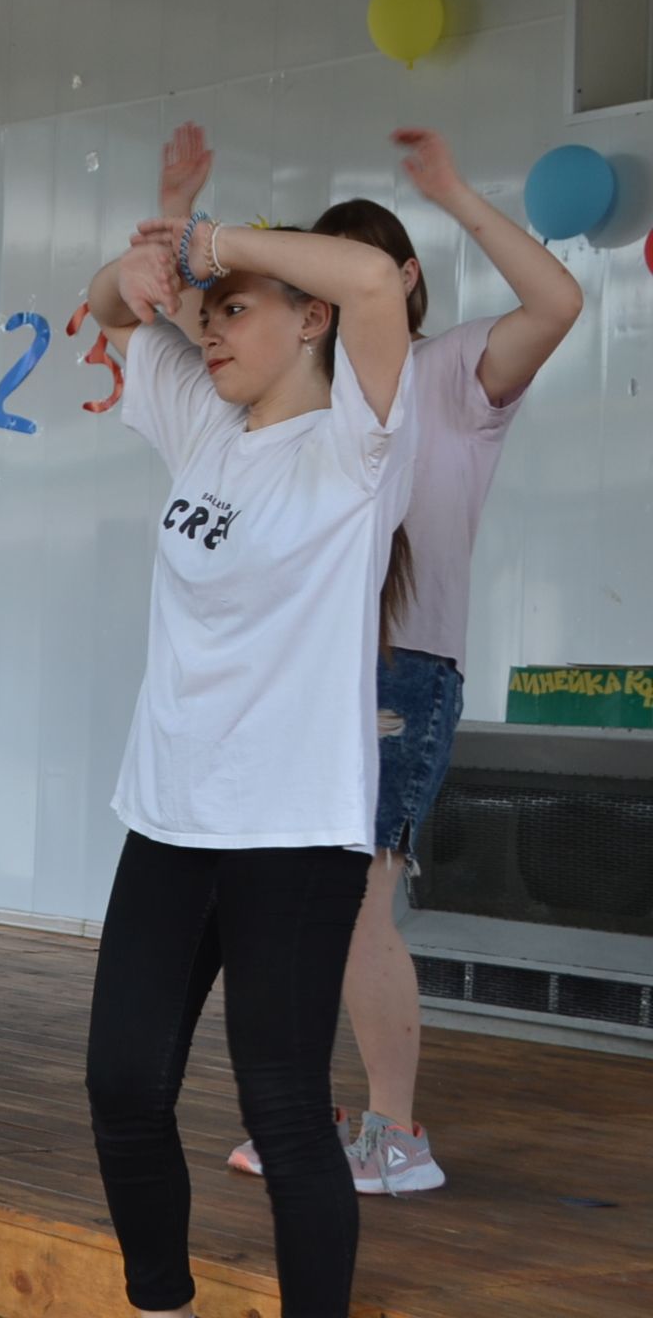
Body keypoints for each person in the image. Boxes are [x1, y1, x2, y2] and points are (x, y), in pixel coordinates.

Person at [151, 125, 581, 1195]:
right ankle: (311, 1115)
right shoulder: (303, 401)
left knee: (355, 907)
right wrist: (175, 211)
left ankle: (396, 1131)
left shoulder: (445, 374)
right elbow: (175, 319)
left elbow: (558, 303)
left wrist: (454, 192)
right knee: (294, 903)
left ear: (397, 282)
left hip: (399, 668)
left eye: (351, 272)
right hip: (301, 673)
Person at [80, 213, 416, 1318]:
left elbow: (375, 277)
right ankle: (161, 1304)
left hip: (293, 831)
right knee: (123, 1087)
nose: (211, 330)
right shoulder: (204, 423)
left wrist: (215, 239)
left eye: (236, 309)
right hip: (170, 820)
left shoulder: (357, 445)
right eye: (207, 312)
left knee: (284, 1108)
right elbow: (109, 305)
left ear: (311, 319)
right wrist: (140, 269)